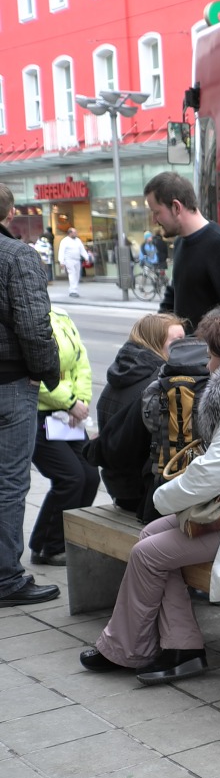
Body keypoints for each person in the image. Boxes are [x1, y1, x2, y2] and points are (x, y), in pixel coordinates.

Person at [79, 305, 220, 683]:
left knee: (149, 552)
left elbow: (208, 474)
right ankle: (177, 646)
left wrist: (160, 500)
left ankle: (137, 648)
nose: (205, 364)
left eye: (211, 355)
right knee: (150, 540)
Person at [0, 183, 62, 606]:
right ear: (10, 211)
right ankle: (6, 579)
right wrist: (47, 373)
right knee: (9, 483)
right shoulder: (17, 255)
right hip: (10, 384)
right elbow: (34, 325)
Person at [84, 313, 185, 520]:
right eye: (177, 341)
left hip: (118, 488)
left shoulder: (121, 372)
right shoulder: (160, 382)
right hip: (142, 495)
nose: (185, 347)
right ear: (155, 342)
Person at [28, 306, 99, 566]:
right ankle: (46, 546)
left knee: (90, 476)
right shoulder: (26, 319)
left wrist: (80, 400)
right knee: (70, 478)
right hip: (40, 414)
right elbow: (35, 372)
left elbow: (81, 361)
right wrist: (69, 401)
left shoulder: (60, 315)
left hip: (69, 415)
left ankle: (67, 539)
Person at [145, 171, 220, 330]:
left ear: (176, 207)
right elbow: (173, 297)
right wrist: (154, 333)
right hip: (186, 352)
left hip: (213, 354)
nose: (154, 220)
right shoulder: (179, 244)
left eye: (157, 212)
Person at [58, 227, 88, 298]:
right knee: (72, 274)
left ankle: (75, 289)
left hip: (77, 260)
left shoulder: (78, 240)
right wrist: (61, 261)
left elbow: (82, 250)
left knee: (77, 275)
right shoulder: (65, 241)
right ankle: (73, 291)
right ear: (70, 233)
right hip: (69, 260)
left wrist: (86, 257)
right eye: (74, 232)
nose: (76, 234)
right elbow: (61, 251)